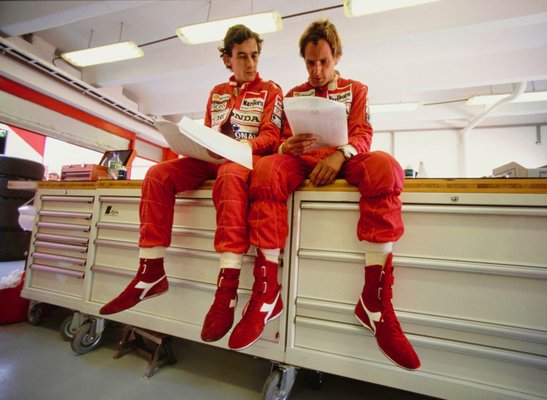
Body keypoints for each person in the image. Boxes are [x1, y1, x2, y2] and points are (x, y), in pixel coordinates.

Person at [243, 20, 420, 369]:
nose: (317, 70)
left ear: (336, 56)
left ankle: (374, 303)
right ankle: (267, 293)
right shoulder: (292, 95)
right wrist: (286, 146)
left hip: (345, 160)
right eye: (310, 63)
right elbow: (276, 140)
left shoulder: (357, 89)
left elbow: (363, 134)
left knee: (386, 167)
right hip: (302, 161)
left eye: (323, 61)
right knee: (265, 171)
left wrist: (341, 155)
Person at [99, 25, 284, 317]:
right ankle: (151, 271)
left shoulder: (271, 90)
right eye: (242, 56)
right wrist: (194, 143)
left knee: (229, 173)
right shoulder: (217, 92)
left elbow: (272, 136)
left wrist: (244, 145)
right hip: (212, 158)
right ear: (227, 59)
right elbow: (209, 131)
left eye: (255, 55)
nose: (251, 63)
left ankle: (227, 287)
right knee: (157, 175)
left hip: (246, 160)